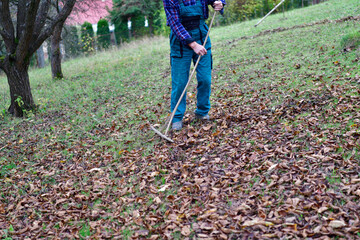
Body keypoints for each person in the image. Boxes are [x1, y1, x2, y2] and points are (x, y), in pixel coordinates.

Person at [163, 0, 226, 130]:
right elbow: (175, 24)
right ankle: (177, 117)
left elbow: (216, 0)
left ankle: (202, 112)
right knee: (180, 83)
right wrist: (193, 44)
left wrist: (220, 3)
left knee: (205, 79)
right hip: (180, 42)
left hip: (202, 36)